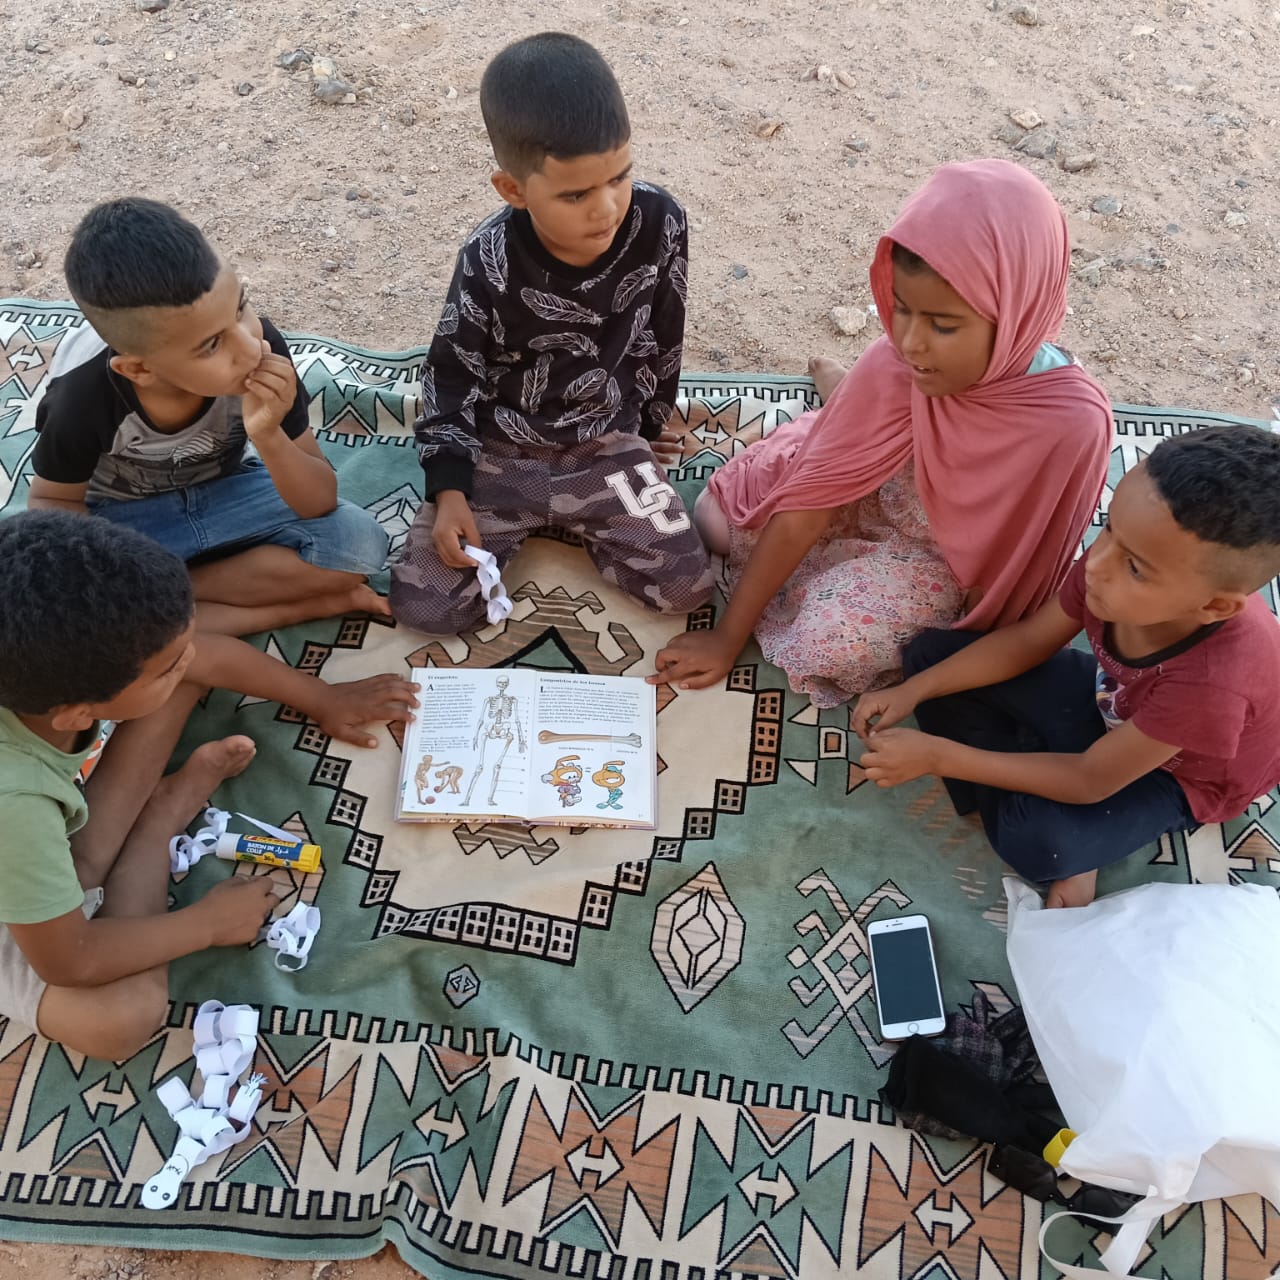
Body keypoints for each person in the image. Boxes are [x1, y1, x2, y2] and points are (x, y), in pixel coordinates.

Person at [650, 159, 1113, 705]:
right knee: (715, 522)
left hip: (938, 562)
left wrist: (968, 645)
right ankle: (837, 409)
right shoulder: (898, 362)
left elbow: (1022, 565)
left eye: (943, 325)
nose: (911, 341)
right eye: (900, 310)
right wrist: (728, 637)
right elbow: (811, 504)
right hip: (870, 498)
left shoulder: (1069, 423)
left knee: (830, 643)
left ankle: (837, 406)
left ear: (1015, 311)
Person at [27, 197, 416, 748]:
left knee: (358, 546)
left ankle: (167, 606)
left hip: (226, 495)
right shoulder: (83, 397)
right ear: (138, 367)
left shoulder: (263, 348)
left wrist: (268, 435)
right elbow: (51, 506)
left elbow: (319, 501)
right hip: (129, 522)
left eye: (241, 308)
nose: (249, 346)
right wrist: (119, 578)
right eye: (212, 345)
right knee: (75, 620)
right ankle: (237, 603)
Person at [853, 425, 1280, 910]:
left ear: (1215, 607)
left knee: (1039, 844)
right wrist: (917, 690)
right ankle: (1030, 765)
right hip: (1112, 702)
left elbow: (1090, 780)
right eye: (1110, 528)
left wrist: (940, 757)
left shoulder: (1215, 685)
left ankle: (1041, 792)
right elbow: (1030, 641)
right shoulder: (1107, 570)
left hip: (1179, 775)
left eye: (1135, 567)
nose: (1097, 563)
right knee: (928, 658)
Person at [389, 32, 713, 633]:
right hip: (498, 452)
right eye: (575, 193)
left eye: (619, 177)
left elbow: (665, 330)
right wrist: (450, 490)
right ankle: (558, 518)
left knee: (687, 589)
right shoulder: (487, 258)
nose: (607, 208)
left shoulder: (660, 220)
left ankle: (578, 518)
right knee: (423, 606)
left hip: (602, 443)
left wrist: (647, 426)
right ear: (513, 190)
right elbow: (451, 375)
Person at [0, 510, 282, 1060]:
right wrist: (205, 924)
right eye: (171, 664)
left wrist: (327, 700)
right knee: (119, 1020)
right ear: (75, 712)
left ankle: (142, 822)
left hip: (25, 835)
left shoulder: (27, 657)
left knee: (170, 680)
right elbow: (69, 960)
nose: (191, 659)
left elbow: (201, 653)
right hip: (22, 870)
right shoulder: (14, 805)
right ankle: (154, 831)